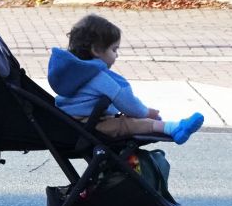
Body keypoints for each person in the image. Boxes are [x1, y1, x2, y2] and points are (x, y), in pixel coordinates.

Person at [47, 15, 204, 144]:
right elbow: (128, 103)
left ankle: (173, 127)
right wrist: (146, 112)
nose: (117, 55)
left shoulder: (72, 73)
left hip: (68, 125)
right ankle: (174, 128)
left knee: (124, 120)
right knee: (129, 124)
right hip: (91, 126)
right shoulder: (99, 78)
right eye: (114, 49)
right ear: (96, 50)